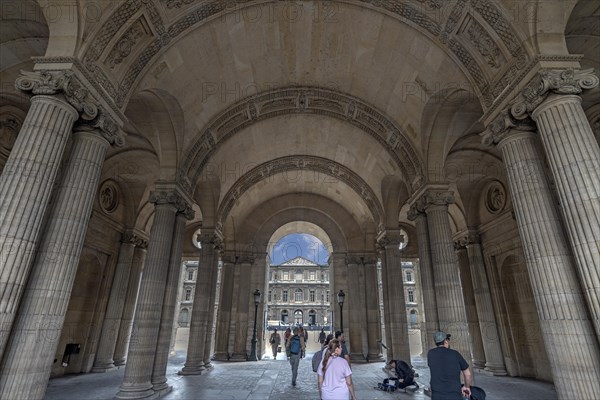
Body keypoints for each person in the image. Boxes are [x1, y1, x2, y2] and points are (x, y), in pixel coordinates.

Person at [427, 331, 472, 400]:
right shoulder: (455, 354)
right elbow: (467, 374)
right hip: (454, 394)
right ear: (446, 341)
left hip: (437, 394)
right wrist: (466, 387)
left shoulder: (430, 354)